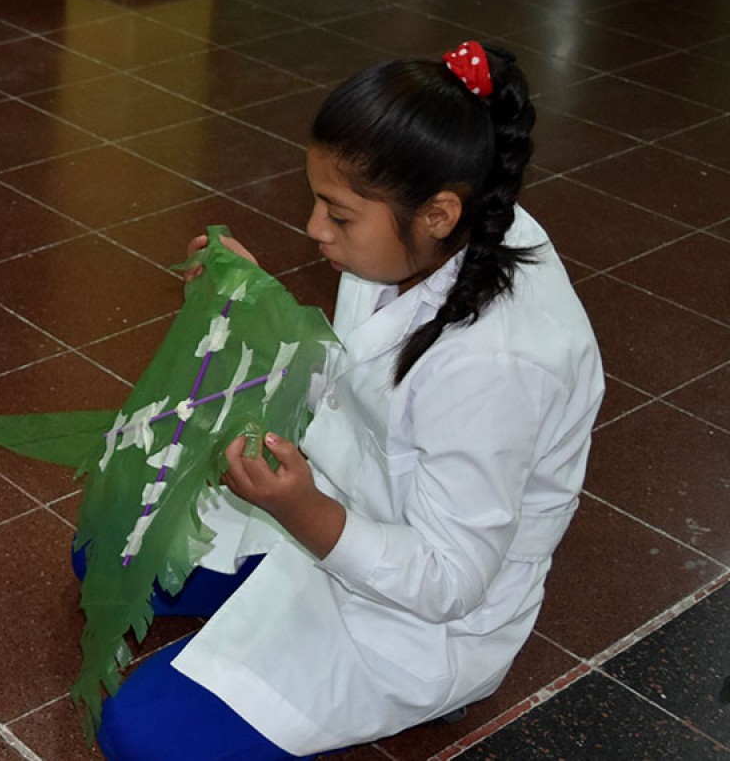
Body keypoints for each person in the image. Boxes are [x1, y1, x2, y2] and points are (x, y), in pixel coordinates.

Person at [94, 41, 603, 759]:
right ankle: (267, 574)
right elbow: (358, 369)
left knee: (139, 736)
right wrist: (256, 307)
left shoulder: (500, 364)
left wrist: (301, 509)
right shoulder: (440, 231)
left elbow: (451, 579)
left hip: (418, 617)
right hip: (339, 495)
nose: (313, 229)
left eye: (338, 214)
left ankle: (385, 663)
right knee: (107, 555)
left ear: (437, 212)